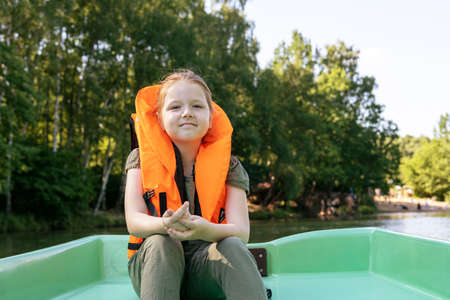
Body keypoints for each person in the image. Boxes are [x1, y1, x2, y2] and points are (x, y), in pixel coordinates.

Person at [124, 69, 267, 300]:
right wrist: (165, 223)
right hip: (154, 267)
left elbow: (242, 232)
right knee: (162, 243)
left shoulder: (230, 167)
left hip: (206, 267)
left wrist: (205, 230)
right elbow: (134, 222)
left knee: (233, 245)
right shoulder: (139, 159)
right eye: (175, 107)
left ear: (211, 117)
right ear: (159, 118)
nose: (187, 113)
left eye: (197, 106)